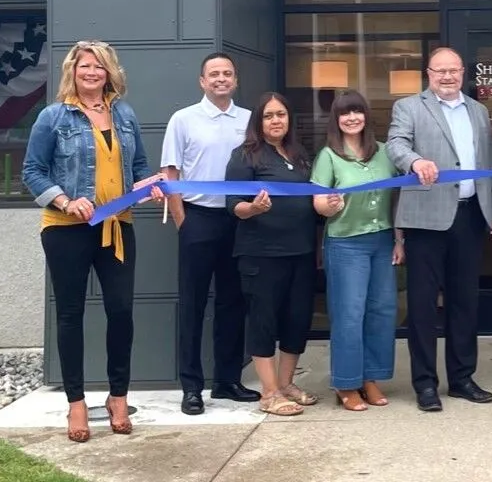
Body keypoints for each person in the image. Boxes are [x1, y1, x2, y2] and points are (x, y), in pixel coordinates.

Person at [21, 40, 165, 443]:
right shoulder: (53, 116)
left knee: (121, 313)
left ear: (109, 72)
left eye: (98, 66)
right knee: (70, 315)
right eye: (85, 66)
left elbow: (137, 166)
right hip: (64, 229)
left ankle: (118, 398)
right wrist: (66, 201)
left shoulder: (124, 113)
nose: (91, 73)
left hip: (117, 226)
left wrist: (147, 185)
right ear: (73, 70)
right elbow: (32, 171)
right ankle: (77, 404)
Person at [385, 47, 492, 412]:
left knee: (464, 303)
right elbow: (395, 144)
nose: (447, 77)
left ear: (463, 73)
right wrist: (416, 160)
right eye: (440, 71)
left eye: (454, 70)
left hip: (470, 217)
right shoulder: (408, 107)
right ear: (428, 73)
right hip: (426, 217)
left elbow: (489, 162)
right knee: (423, 306)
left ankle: (462, 379)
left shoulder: (476, 110)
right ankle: (425, 384)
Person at [160, 52, 257, 415]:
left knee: (234, 303)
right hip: (198, 218)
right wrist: (183, 219)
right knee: (194, 303)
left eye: (227, 73)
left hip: (239, 219)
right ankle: (191, 387)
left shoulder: (249, 121)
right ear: (202, 81)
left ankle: (228, 381)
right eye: (214, 74)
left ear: (235, 80)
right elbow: (170, 172)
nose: (221, 79)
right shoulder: (183, 119)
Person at [225, 92, 320, 417]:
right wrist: (252, 208)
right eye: (268, 116)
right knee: (264, 322)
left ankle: (286, 384)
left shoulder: (299, 153)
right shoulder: (245, 156)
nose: (276, 120)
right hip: (261, 255)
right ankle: (269, 393)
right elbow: (232, 205)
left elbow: (310, 198)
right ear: (258, 122)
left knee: (297, 321)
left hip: (302, 252)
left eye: (281, 114)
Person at [311, 90, 402, 411]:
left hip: (382, 241)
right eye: (345, 113)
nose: (352, 118)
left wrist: (399, 239)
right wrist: (330, 205)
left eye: (357, 112)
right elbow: (319, 203)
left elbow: (397, 199)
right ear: (336, 120)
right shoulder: (328, 156)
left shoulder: (384, 153)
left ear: (366, 115)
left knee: (382, 311)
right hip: (345, 242)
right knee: (349, 314)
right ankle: (346, 384)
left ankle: (370, 378)